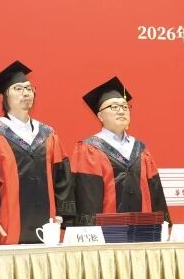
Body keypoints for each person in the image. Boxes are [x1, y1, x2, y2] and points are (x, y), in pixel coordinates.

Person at [0, 60, 75, 245]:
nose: (26, 93)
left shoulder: (48, 134)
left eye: (29, 88)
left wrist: (60, 218)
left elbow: (62, 179)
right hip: (6, 226)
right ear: (4, 96)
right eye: (18, 88)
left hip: (48, 227)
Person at [70, 76, 170, 226]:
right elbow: (87, 198)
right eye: (114, 107)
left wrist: (162, 225)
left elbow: (155, 192)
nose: (121, 111)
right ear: (100, 116)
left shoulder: (141, 149)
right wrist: (90, 232)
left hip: (142, 230)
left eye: (125, 107)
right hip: (106, 232)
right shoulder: (89, 148)